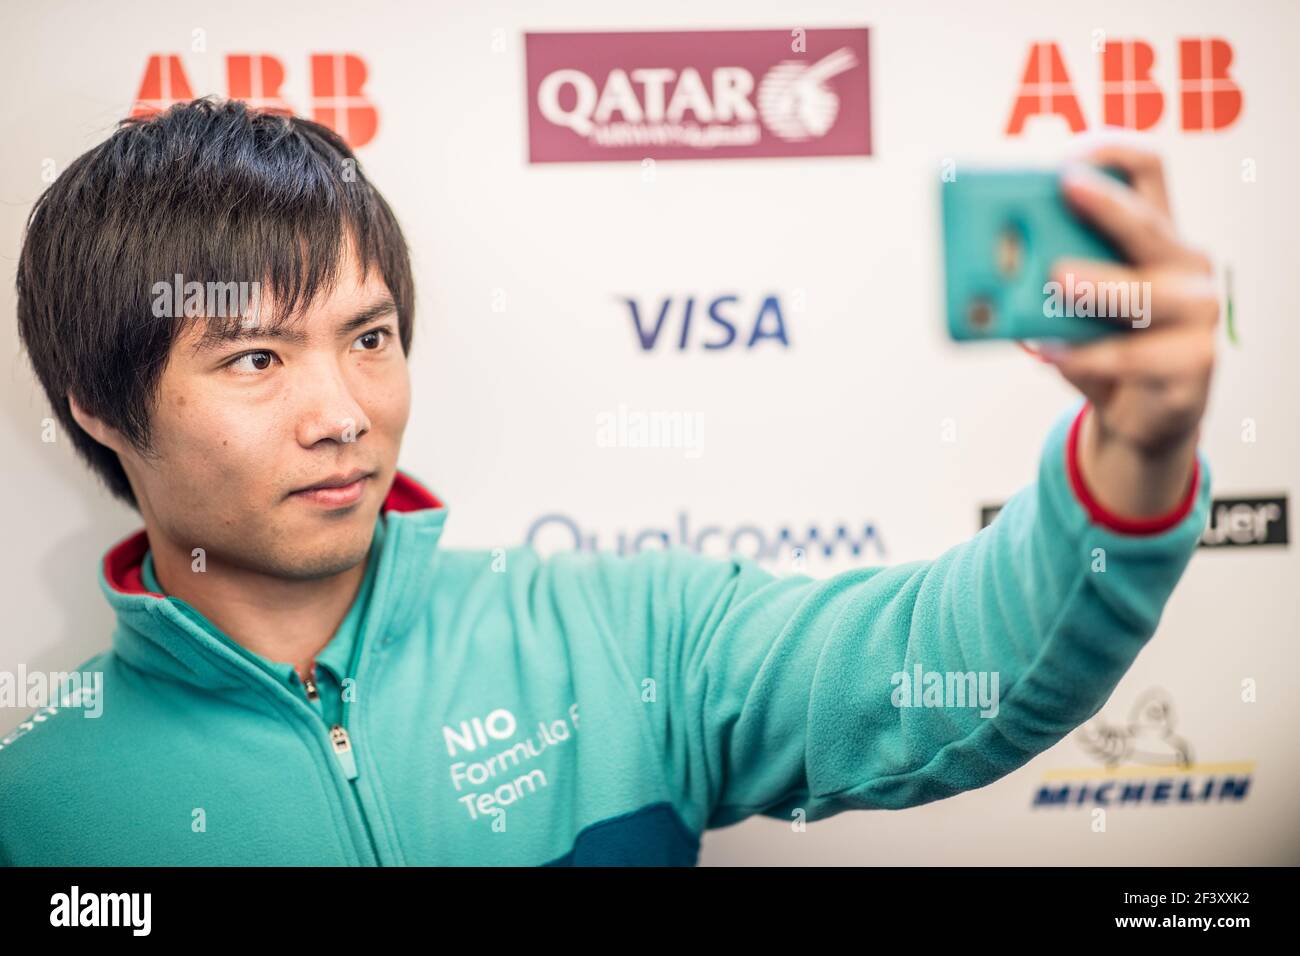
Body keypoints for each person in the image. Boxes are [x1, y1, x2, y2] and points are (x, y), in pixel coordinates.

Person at [1, 97, 1217, 865]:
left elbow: (940, 666)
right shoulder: (38, 808)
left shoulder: (624, 634)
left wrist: (1137, 453)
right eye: (257, 358)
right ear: (100, 407)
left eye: (369, 337)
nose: (345, 414)